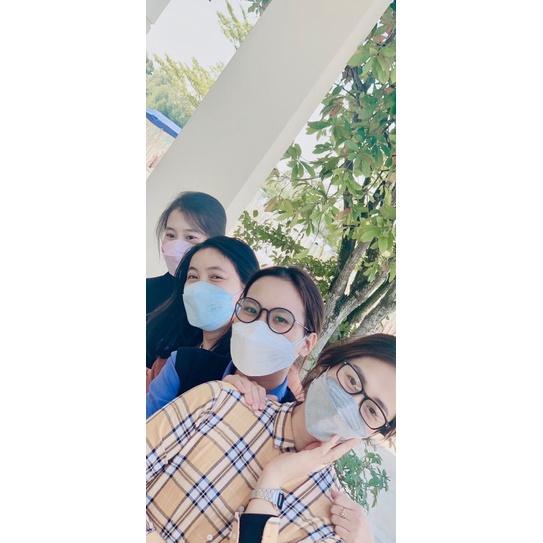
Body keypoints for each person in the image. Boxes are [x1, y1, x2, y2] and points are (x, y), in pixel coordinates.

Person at [146, 333, 396, 543]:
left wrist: (271, 481)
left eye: (372, 410)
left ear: (375, 432)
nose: (348, 405)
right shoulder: (219, 401)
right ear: (326, 366)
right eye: (352, 380)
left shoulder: (331, 528)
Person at [146, 264, 323, 417]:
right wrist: (212, 396)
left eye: (281, 319)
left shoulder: (293, 420)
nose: (257, 327)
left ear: (307, 344)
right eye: (250, 309)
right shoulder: (184, 365)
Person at [146, 191, 227, 315]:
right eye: (171, 235)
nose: (177, 245)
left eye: (190, 237)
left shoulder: (217, 307)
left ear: (214, 244)